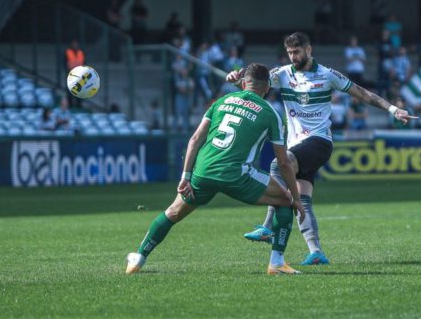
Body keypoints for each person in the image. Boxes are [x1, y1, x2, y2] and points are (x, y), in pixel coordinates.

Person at [227, 32, 416, 265]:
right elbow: (253, 87)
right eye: (289, 53)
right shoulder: (282, 74)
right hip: (298, 146)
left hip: (319, 142)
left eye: (296, 52)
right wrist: (237, 79)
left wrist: (392, 109)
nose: (293, 57)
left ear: (309, 49)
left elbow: (363, 93)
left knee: (279, 164)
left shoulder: (327, 75)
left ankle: (267, 227)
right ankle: (316, 252)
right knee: (302, 198)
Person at [125, 63, 305, 275]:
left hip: (203, 171)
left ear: (245, 83)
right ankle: (276, 262)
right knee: (284, 200)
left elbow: (194, 139)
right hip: (237, 174)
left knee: (172, 212)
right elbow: (283, 162)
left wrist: (185, 177)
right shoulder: (270, 113)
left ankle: (139, 258)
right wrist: (296, 197)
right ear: (267, 87)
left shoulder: (220, 102)